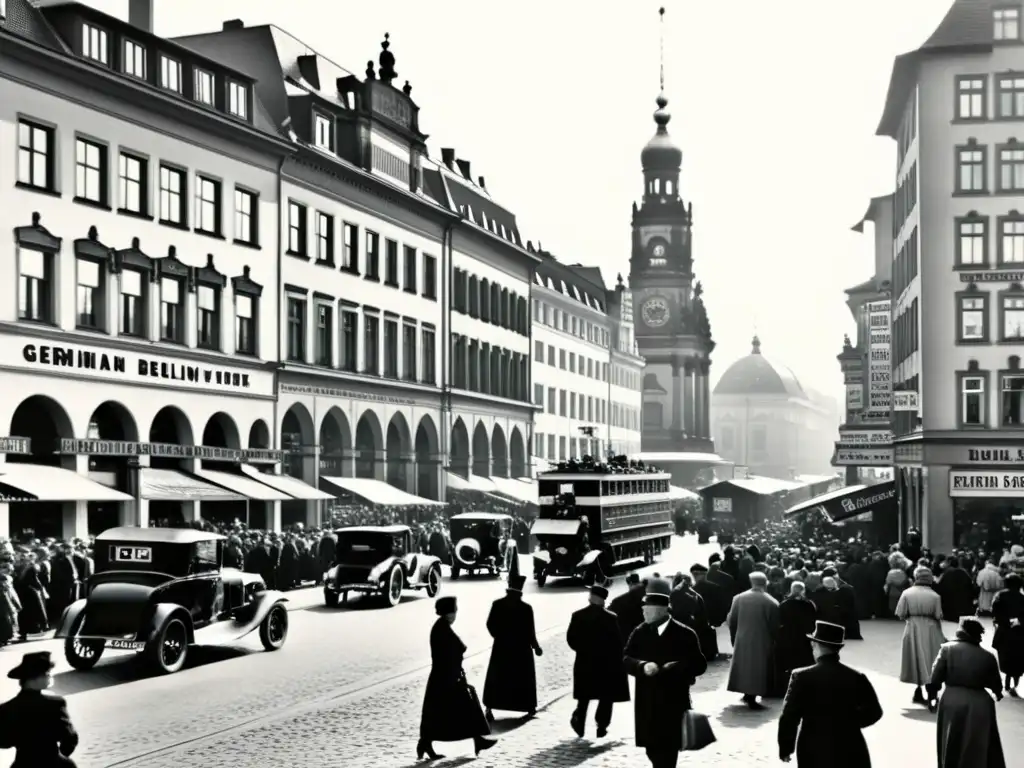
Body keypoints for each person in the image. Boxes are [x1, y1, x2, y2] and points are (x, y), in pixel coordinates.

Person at [623, 577, 707, 768]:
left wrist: (675, 667)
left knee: (668, 753)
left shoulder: (685, 634)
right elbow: (626, 659)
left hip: (673, 703)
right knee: (651, 750)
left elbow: (699, 664)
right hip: (647, 702)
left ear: (660, 610)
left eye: (647, 608)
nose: (643, 611)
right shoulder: (640, 632)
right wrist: (641, 665)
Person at [777, 621, 882, 767]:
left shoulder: (801, 676)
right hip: (850, 746)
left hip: (813, 745)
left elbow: (789, 716)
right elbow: (875, 712)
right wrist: (850, 724)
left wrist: (786, 748)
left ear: (816, 645)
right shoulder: (856, 677)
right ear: (838, 648)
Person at [418, 596, 496, 760]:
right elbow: (449, 653)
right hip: (447, 678)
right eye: (454, 611)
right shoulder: (442, 629)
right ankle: (476, 740)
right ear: (448, 613)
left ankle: (477, 740)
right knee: (455, 708)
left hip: (446, 676)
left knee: (442, 712)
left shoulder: (442, 627)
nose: (456, 614)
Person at [930, 617, 1006, 768]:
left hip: (952, 700)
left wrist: (933, 695)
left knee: (951, 741)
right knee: (978, 745)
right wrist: (997, 693)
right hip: (980, 704)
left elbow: (935, 677)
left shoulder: (947, 649)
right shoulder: (988, 656)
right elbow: (996, 685)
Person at [566, 581, 629, 738]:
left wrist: (582, 650)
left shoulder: (578, 615)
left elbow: (571, 639)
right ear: (603, 600)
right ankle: (602, 726)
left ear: (591, 598)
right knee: (606, 696)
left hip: (584, 662)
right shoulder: (611, 618)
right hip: (606, 665)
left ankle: (580, 723)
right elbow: (617, 643)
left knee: (584, 697)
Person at [0, 651, 79, 767]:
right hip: (52, 762)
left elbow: (4, 742)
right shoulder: (55, 704)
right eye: (46, 673)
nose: (49, 676)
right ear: (35, 678)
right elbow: (69, 737)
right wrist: (60, 755)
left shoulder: (6, 708)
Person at [482, 574, 542, 721]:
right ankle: (529, 707)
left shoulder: (497, 604)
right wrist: (536, 647)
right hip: (521, 649)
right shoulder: (526, 608)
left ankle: (489, 707)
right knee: (522, 679)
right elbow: (530, 631)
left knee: (497, 678)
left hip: (501, 647)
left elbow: (490, 624)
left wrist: (499, 636)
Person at [727, 571, 780, 709]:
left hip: (742, 637)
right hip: (762, 639)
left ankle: (746, 693)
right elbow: (775, 626)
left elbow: (732, 620)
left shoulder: (738, 598)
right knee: (757, 668)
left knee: (744, 666)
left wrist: (734, 636)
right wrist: (774, 640)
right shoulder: (771, 602)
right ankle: (752, 696)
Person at [895, 566, 945, 707]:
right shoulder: (935, 596)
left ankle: (918, 691)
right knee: (931, 660)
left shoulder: (907, 593)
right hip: (931, 629)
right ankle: (932, 694)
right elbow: (938, 615)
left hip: (912, 628)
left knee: (915, 660)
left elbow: (900, 613)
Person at [776, 581, 817, 692]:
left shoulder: (785, 604)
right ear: (803, 590)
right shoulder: (809, 604)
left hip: (787, 637)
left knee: (786, 663)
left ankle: (785, 686)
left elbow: (779, 621)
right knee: (803, 662)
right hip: (802, 638)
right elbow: (812, 624)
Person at [991, 573, 1024, 695]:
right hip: (1019, 633)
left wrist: (1005, 621)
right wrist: (1019, 621)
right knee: (1018, 658)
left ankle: (1007, 683)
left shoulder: (999, 596)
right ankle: (1015, 683)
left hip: (1004, 632)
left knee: (1005, 657)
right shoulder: (1022, 598)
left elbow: (995, 613)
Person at [608, 572, 645, 641]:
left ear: (629, 583)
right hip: (645, 637)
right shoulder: (648, 598)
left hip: (626, 637)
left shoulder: (617, 601)